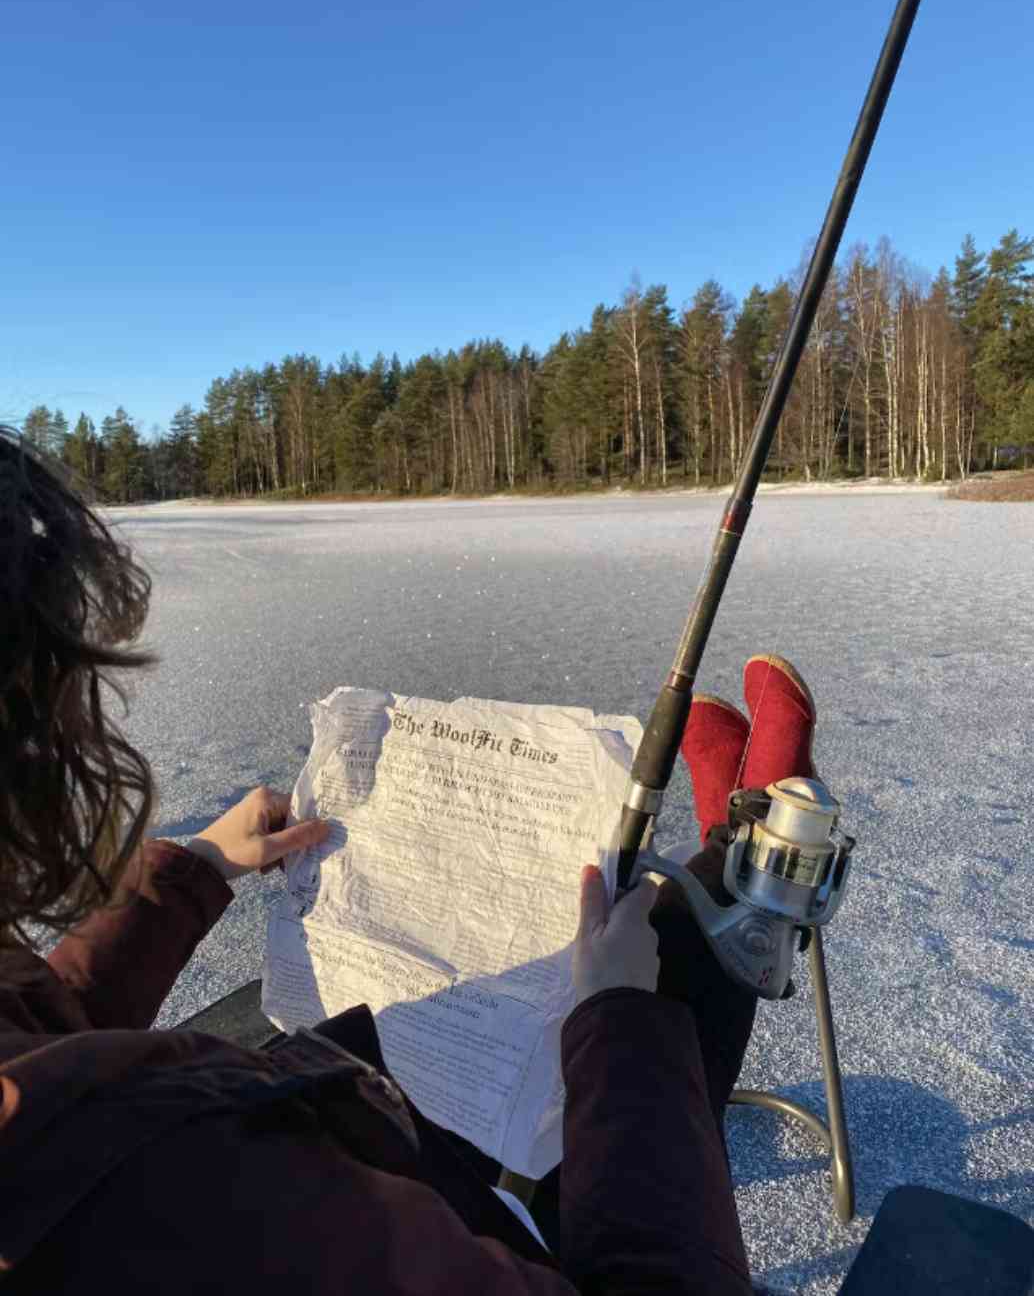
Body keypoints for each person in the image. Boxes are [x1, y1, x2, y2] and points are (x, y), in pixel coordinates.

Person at [0, 427, 818, 1295]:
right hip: (454, 1208)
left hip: (355, 1133)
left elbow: (34, 1039)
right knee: (663, 960)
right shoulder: (210, 1204)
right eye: (59, 706)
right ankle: (757, 847)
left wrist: (195, 870)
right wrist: (623, 1022)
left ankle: (742, 846)